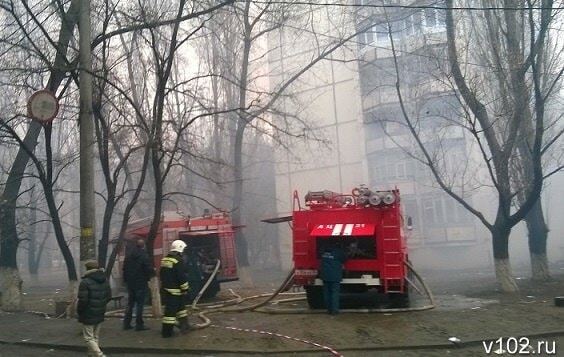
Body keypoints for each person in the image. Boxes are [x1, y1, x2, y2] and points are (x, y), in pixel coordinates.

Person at [77, 260, 112, 357]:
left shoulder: (85, 282)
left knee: (88, 338)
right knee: (95, 336)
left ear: (87, 269)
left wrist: (79, 311)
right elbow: (109, 296)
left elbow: (83, 300)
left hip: (88, 312)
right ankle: (91, 354)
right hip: (100, 311)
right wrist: (101, 304)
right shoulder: (104, 279)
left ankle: (100, 355)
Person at [159, 239, 190, 338]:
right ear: (179, 249)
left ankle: (185, 327)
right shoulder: (178, 261)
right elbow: (181, 277)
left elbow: (161, 275)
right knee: (170, 314)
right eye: (183, 249)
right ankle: (167, 333)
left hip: (167, 290)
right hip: (176, 291)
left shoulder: (164, 260)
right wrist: (185, 289)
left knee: (181, 310)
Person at [122, 239, 153, 331]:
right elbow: (147, 268)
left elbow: (124, 269)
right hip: (141, 282)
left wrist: (126, 281)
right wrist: (149, 277)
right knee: (140, 304)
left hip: (130, 283)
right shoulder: (143, 255)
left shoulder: (128, 256)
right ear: (143, 246)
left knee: (130, 303)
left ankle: (126, 323)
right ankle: (139, 324)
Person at [320, 245, 346, 315]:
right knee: (334, 293)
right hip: (335, 276)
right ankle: (334, 311)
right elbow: (345, 259)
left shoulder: (324, 252)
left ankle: (329, 310)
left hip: (325, 276)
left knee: (327, 293)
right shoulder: (338, 252)